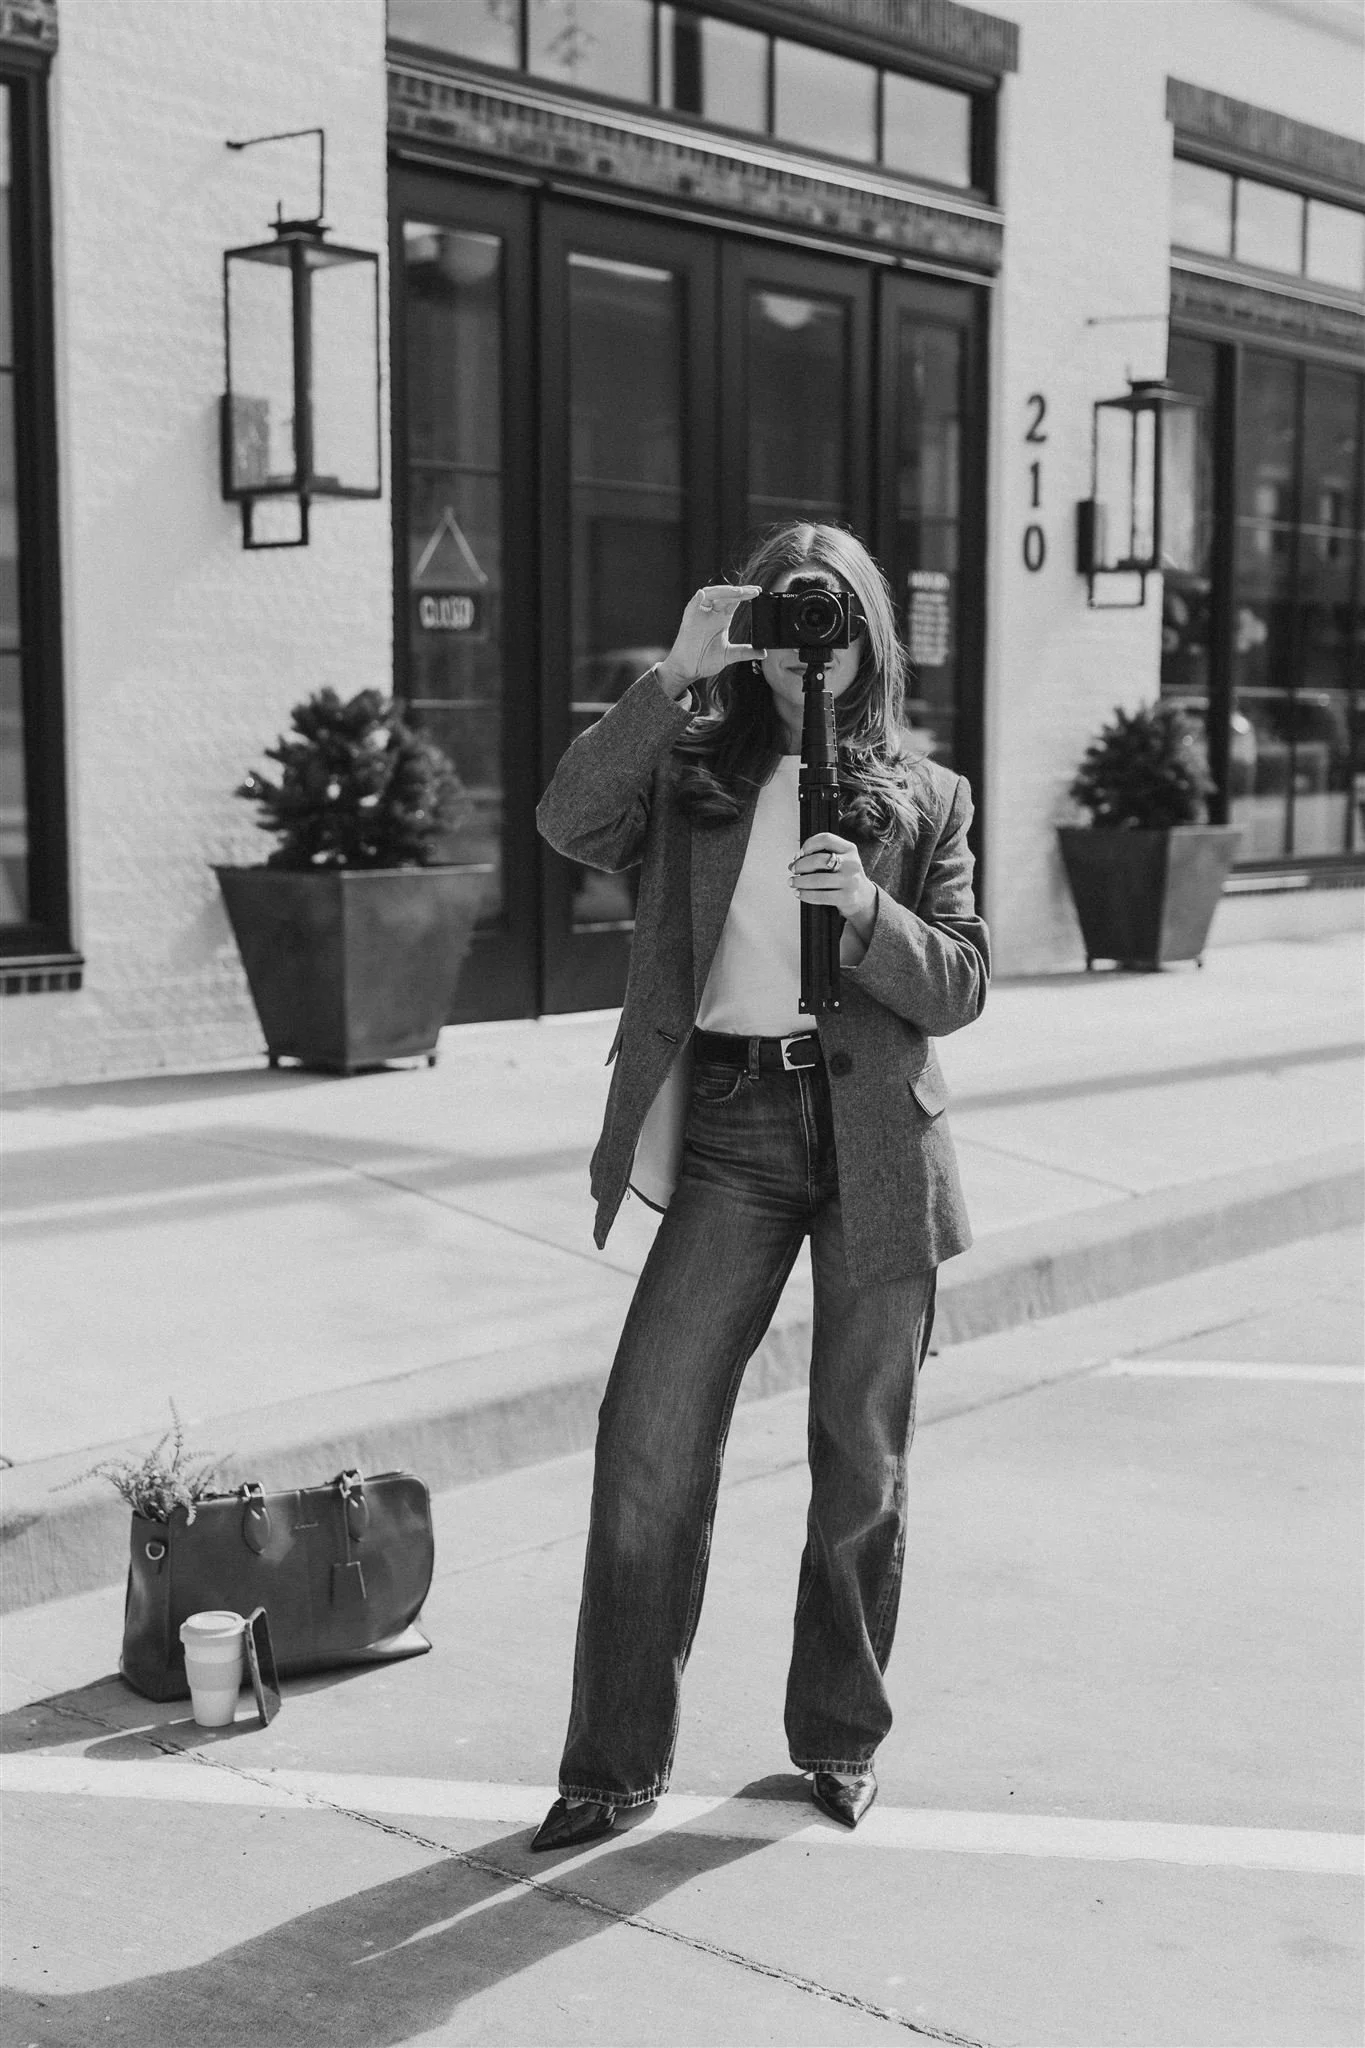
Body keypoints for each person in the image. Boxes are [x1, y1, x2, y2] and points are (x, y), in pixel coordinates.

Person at [531, 521, 990, 1851]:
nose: (810, 644)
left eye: (833, 616)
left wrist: (868, 916)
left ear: (870, 637)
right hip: (734, 1127)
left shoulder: (928, 797)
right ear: (756, 632)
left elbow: (961, 982)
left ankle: (839, 1738)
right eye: (788, 617)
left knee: (862, 1456)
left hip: (880, 1141)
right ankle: (614, 1763)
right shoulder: (688, 776)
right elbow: (567, 820)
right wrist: (675, 673)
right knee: (651, 1432)